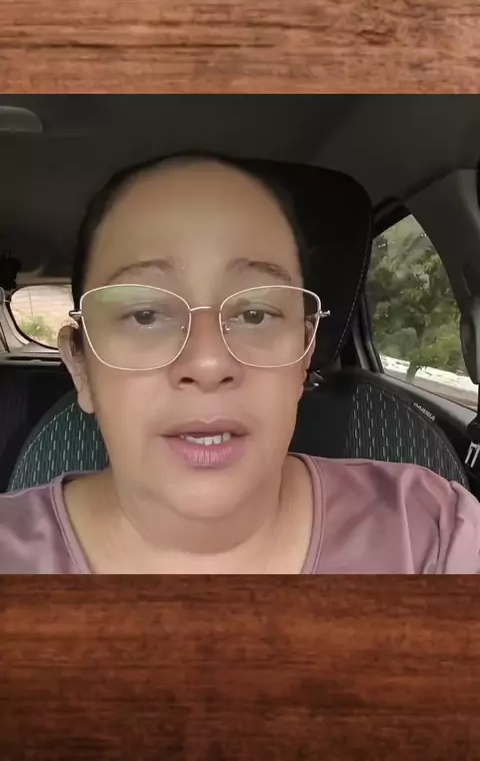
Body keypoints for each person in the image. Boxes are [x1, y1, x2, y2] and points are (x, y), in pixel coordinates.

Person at [1, 152, 480, 574]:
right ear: (81, 367)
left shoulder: (431, 534)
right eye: (145, 315)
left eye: (255, 314)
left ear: (304, 352)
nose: (209, 362)